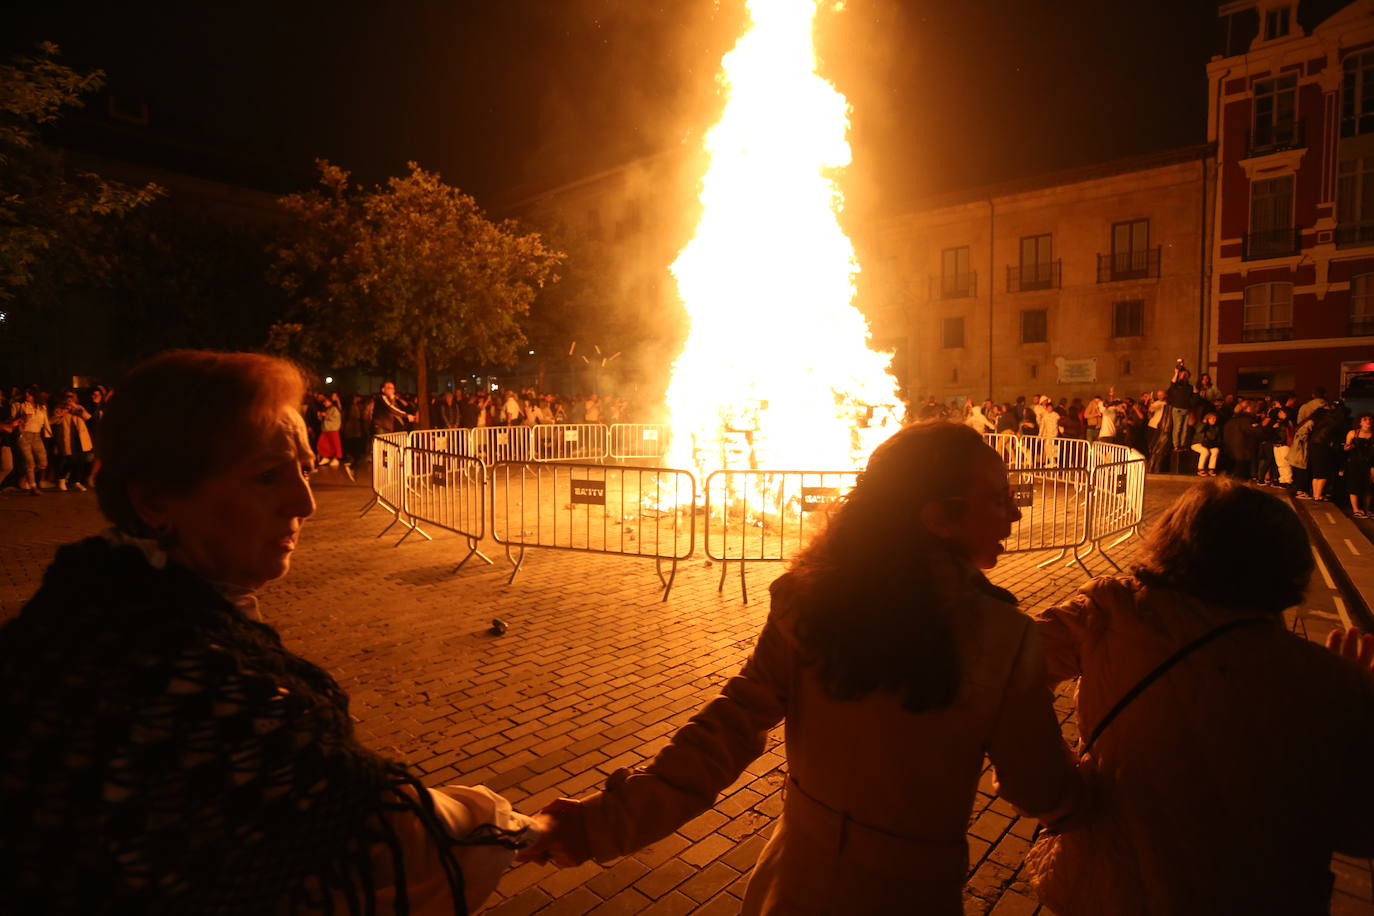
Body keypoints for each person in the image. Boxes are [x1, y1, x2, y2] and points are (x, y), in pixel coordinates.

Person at [0, 351, 533, 914]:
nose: (304, 503)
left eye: (304, 469)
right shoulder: (184, 681)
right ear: (156, 499)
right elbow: (389, 836)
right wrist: (542, 829)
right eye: (265, 476)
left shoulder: (84, 607)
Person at [523, 422, 1081, 914]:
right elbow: (1040, 788)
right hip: (911, 896)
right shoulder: (1007, 640)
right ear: (938, 516)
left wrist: (600, 823)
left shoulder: (808, 600)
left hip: (793, 884)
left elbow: (725, 730)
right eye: (1000, 497)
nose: (1014, 511)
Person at [1025, 479, 1374, 914]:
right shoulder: (1333, 681)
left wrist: (1058, 793)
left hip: (1110, 882)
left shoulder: (1109, 614)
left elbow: (1006, 672)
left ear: (1171, 541)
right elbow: (1358, 830)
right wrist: (1351, 703)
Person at [1346, 413, 1374, 518]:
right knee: (1354, 485)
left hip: (1369, 463)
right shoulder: (1353, 433)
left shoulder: (1373, 434)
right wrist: (1348, 447)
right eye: (1365, 419)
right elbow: (1345, 447)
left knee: (1368, 486)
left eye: (1370, 419)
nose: (1368, 421)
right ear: (1360, 422)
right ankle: (1356, 509)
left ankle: (1367, 509)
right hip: (1355, 463)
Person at [1165, 365, 1194, 450]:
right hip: (1178, 409)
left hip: (1186, 409)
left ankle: (1182, 445)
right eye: (1183, 374)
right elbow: (1172, 383)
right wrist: (1177, 373)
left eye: (1186, 375)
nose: (1184, 376)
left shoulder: (1190, 387)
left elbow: (1191, 397)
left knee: (1185, 429)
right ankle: (1176, 445)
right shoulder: (1176, 385)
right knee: (1178, 428)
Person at [1189, 411, 1220, 476]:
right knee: (1205, 451)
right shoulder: (1202, 424)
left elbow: (1213, 438)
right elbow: (1199, 430)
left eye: (1215, 419)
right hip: (1197, 443)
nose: (1214, 420)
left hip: (1207, 444)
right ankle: (1200, 469)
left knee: (1215, 450)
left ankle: (1211, 468)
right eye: (1212, 419)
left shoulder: (1216, 427)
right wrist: (1204, 423)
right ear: (1208, 419)